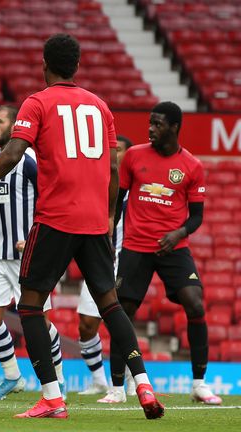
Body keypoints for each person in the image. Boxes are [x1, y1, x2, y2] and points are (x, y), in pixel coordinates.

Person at [0, 34, 164, 420]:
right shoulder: (100, 107)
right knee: (111, 305)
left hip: (55, 219)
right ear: (78, 66)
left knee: (30, 306)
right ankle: (144, 384)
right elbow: (114, 169)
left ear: (44, 64)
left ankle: (52, 398)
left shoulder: (37, 102)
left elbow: (13, 153)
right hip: (94, 220)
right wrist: (109, 216)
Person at [109, 101, 221, 405]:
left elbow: (196, 217)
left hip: (173, 248)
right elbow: (118, 199)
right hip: (136, 246)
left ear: (174, 127)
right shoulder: (133, 156)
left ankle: (199, 384)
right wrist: (110, 230)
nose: (151, 129)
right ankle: (117, 388)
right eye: (150, 123)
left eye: (157, 124)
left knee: (195, 304)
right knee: (123, 310)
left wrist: (179, 233)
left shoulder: (192, 166)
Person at [0, 105, 66, 401]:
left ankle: (58, 379)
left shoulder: (31, 160)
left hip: (27, 254)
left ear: (14, 125)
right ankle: (11, 376)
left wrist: (35, 235)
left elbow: (49, 200)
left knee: (41, 323)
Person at [74, 135, 137, 399]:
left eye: (121, 151)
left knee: (118, 322)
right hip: (100, 260)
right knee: (86, 324)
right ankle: (99, 380)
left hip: (127, 261)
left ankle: (129, 379)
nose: (117, 155)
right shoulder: (100, 185)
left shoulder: (137, 190)